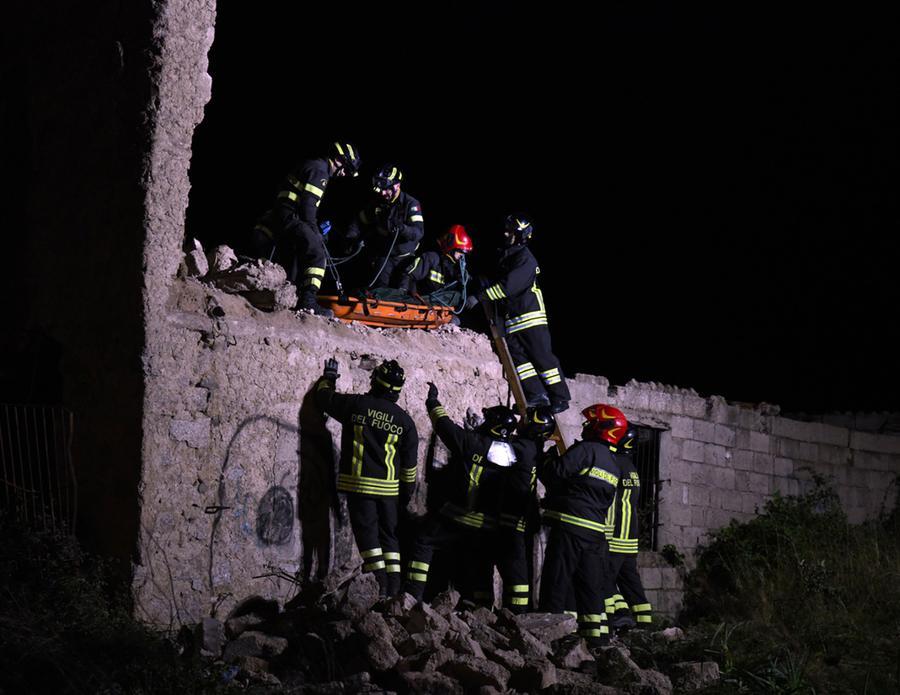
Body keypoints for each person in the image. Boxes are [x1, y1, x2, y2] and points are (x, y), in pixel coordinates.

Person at [402, 385, 537, 608]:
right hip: (487, 528)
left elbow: (443, 425)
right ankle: (481, 612)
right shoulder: (514, 454)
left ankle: (411, 595)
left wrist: (433, 401)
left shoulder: (471, 442)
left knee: (423, 541)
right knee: (480, 569)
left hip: (455, 518)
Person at [314, 357, 418, 596]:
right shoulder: (405, 422)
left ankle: (379, 588)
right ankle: (393, 589)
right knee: (390, 540)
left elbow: (324, 398)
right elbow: (409, 468)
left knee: (369, 539)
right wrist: (405, 496)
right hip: (390, 492)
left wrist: (328, 378)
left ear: (376, 382)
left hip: (360, 487)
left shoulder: (357, 405)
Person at [537, 403, 627, 647]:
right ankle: (596, 643)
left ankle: (549, 640)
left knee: (556, 583)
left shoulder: (586, 450)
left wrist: (544, 459)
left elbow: (554, 474)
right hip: (595, 535)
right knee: (590, 590)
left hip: (570, 528)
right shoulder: (614, 464)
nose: (586, 426)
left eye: (590, 423)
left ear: (601, 427)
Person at [471, 215, 570, 413]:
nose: (505, 234)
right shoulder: (508, 256)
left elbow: (508, 286)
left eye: (510, 231)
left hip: (530, 317)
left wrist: (481, 296)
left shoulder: (525, 259)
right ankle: (536, 396)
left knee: (543, 359)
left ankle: (560, 397)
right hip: (513, 321)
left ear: (521, 235)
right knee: (520, 362)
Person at [250, 141, 361, 313]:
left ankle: (290, 296)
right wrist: (316, 233)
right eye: (346, 170)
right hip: (290, 217)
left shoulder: (313, 165)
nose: (344, 174)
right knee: (317, 254)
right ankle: (308, 301)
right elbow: (308, 208)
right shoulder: (320, 172)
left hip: (282, 216)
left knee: (297, 251)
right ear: (339, 161)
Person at [604, 427, 653, 631]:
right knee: (631, 583)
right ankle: (645, 625)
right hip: (629, 538)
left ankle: (614, 617)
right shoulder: (631, 468)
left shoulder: (613, 464)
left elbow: (608, 501)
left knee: (602, 578)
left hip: (614, 536)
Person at [354, 165, 424, 289]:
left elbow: (418, 232)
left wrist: (402, 229)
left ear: (397, 185)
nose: (382, 193)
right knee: (378, 288)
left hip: (405, 257)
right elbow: (360, 221)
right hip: (385, 255)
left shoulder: (411, 204)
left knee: (403, 290)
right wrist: (352, 238)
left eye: (386, 189)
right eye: (380, 189)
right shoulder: (378, 202)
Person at [399, 224, 473, 308]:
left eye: (464, 253)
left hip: (436, 306)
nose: (462, 256)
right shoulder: (432, 258)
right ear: (452, 248)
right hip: (420, 301)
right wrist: (403, 296)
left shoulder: (455, 269)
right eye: (460, 251)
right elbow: (409, 275)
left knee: (457, 298)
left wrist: (463, 280)